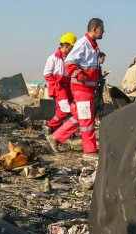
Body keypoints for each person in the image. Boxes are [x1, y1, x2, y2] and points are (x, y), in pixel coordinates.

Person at [46, 18, 104, 160]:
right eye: (102, 28)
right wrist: (80, 76)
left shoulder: (92, 45)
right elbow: (70, 62)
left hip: (87, 89)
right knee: (86, 120)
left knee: (80, 117)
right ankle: (89, 151)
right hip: (81, 89)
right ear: (94, 29)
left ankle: (55, 137)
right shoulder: (83, 44)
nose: (104, 31)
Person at [43, 32, 77, 133]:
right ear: (66, 46)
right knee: (66, 109)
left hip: (68, 86)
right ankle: (49, 125)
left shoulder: (70, 58)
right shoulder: (53, 58)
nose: (73, 49)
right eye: (72, 47)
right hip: (58, 86)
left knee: (62, 110)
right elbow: (47, 74)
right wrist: (57, 84)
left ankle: (56, 131)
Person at [93, 52, 108, 122]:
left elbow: (98, 77)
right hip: (96, 89)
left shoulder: (99, 67)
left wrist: (103, 76)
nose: (104, 60)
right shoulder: (95, 66)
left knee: (101, 104)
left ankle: (100, 120)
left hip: (99, 89)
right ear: (99, 57)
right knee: (96, 105)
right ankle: (92, 120)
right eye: (103, 58)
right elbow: (95, 78)